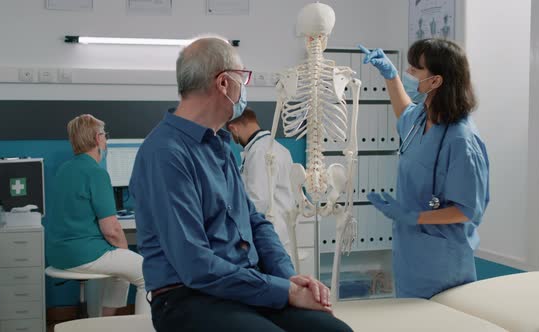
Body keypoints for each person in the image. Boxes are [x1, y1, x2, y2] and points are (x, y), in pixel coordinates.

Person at [129, 37, 352, 332]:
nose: (245, 88)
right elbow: (195, 265)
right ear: (223, 83)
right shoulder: (166, 153)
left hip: (243, 287)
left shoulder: (219, 144)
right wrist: (284, 292)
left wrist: (288, 278)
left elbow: (255, 222)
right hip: (188, 298)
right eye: (243, 78)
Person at [358, 39, 490, 299]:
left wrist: (414, 216)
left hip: (442, 261)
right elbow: (403, 111)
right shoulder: (421, 118)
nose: (409, 73)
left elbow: (466, 209)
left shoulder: (461, 140)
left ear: (436, 81)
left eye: (415, 69)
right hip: (411, 253)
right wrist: (390, 76)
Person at [46, 114, 149, 316]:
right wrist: (124, 250)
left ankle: (104, 323)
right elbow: (111, 230)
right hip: (83, 254)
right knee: (149, 274)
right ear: (97, 139)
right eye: (104, 135)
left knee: (121, 271)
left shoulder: (64, 170)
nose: (106, 139)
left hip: (59, 253)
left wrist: (122, 255)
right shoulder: (96, 173)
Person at [226, 107, 293, 258]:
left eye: (231, 135)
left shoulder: (259, 151)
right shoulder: (279, 148)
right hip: (281, 232)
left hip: (270, 234)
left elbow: (259, 201)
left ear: (233, 128)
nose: (233, 139)